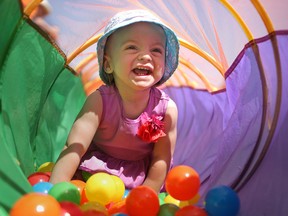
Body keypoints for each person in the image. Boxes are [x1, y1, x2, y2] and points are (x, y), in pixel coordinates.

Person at [49, 9, 179, 193]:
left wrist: (147, 194)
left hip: (139, 180)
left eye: (156, 50)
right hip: (94, 173)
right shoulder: (99, 101)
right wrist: (56, 188)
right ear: (108, 64)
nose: (146, 56)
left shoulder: (167, 109)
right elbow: (75, 146)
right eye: (132, 47)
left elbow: (161, 158)